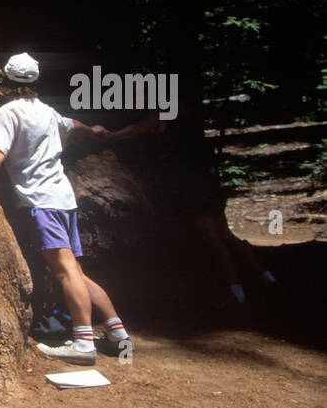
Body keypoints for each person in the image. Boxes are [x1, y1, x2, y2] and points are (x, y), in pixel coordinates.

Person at [0, 52, 130, 364]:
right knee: (74, 269)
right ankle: (117, 332)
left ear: (6, 81)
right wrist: (93, 130)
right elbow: (73, 124)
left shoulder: (9, 112)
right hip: (64, 199)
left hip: (40, 201)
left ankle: (83, 344)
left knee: (64, 270)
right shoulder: (47, 112)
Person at [107, 111, 278, 308]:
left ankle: (237, 293)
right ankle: (268, 279)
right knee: (227, 236)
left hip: (190, 189)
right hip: (205, 182)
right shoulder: (181, 114)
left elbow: (134, 130)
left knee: (215, 242)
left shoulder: (157, 115)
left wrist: (109, 136)